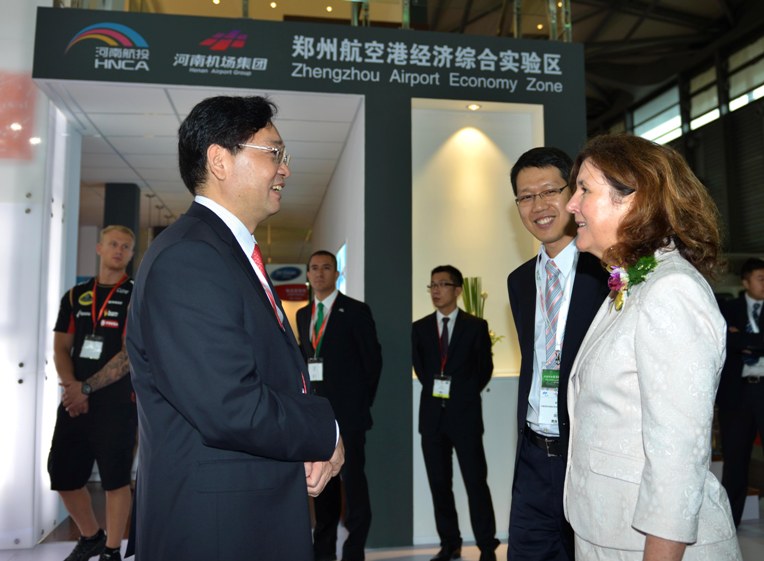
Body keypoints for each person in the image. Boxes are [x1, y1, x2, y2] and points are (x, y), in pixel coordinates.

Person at [126, 95, 343, 561]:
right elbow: (228, 403)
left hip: (242, 516)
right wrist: (325, 430)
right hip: (216, 529)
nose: (285, 169)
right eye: (273, 153)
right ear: (219, 160)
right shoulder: (190, 257)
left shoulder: (224, 253)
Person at [563, 133, 741, 560]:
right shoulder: (632, 284)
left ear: (634, 199)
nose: (571, 204)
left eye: (584, 189)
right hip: (611, 533)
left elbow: (678, 456)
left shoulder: (671, 291)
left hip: (649, 544)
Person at [506, 147, 610, 561]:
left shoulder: (606, 273)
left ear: (573, 195)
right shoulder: (519, 281)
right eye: (525, 197)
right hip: (533, 455)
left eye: (550, 191)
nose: (538, 206)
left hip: (585, 453)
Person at [48, 225, 137, 561]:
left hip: (116, 403)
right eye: (113, 244)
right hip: (75, 401)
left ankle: (112, 550)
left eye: (126, 246)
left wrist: (85, 388)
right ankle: (91, 537)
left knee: (115, 479)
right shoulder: (76, 296)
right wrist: (72, 387)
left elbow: (129, 355)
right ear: (99, 248)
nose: (119, 250)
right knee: (62, 475)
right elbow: (61, 347)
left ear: (131, 254)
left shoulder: (134, 295)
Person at [296, 250, 383, 561]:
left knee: (354, 486)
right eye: (314, 268)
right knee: (323, 486)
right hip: (318, 417)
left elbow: (372, 363)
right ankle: (323, 552)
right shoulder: (303, 315)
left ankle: (354, 551)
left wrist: (359, 404)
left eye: (326, 268)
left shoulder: (356, 311)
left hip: (350, 417)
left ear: (336, 274)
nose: (319, 273)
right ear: (308, 275)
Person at [412, 265, 499, 561]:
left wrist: (462, 394)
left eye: (443, 284)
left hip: (465, 418)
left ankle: (487, 546)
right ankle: (450, 543)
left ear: (458, 290)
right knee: (440, 485)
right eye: (432, 285)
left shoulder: (475, 326)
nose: (436, 290)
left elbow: (484, 369)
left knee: (476, 483)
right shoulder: (420, 328)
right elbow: (421, 369)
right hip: (432, 419)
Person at [717, 257, 764, 527]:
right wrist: (750, 341)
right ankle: (729, 524)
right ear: (745, 282)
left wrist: (744, 341)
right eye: (760, 279)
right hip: (737, 395)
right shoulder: (728, 308)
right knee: (735, 461)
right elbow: (725, 339)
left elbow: (738, 340)